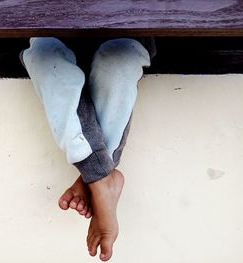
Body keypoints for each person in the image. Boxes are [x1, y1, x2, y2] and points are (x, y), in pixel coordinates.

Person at [20, 37, 155, 261]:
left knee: (118, 61)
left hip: (127, 28)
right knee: (45, 58)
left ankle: (96, 178)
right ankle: (102, 181)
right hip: (51, 27)